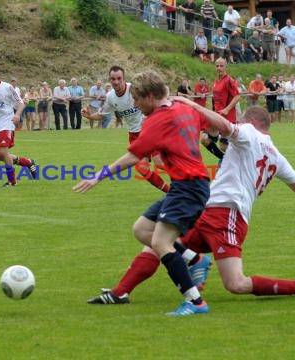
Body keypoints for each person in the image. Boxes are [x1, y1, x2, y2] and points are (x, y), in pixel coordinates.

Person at [172, 98, 295, 301]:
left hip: (228, 215)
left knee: (236, 284)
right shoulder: (276, 155)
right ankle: (122, 292)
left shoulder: (248, 133)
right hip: (211, 211)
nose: (238, 125)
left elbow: (223, 125)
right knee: (163, 241)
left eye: (241, 121)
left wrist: (193, 106)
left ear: (251, 121)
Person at [75, 70, 211, 316]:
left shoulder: (157, 120)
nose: (135, 104)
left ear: (149, 96)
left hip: (189, 186)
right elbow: (208, 127)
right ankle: (194, 259)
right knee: (141, 229)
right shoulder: (183, 107)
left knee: (160, 242)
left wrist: (98, 176)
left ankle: (195, 301)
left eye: (137, 99)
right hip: (188, 184)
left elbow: (133, 157)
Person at [81, 65, 170, 193]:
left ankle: (189, 179)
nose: (116, 82)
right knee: (142, 168)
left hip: (149, 128)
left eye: (119, 78)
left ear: (124, 79)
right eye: (113, 79)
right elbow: (102, 115)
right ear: (109, 79)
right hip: (134, 134)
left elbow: (156, 98)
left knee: (159, 162)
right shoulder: (111, 97)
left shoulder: (135, 89)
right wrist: (89, 115)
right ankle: (171, 191)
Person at [0, 63, 37, 187]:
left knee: (4, 151)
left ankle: (12, 182)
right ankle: (28, 162)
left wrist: (17, 115)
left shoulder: (7, 87)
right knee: (0, 156)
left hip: (7, 122)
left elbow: (21, 103)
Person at [203, 57, 240, 161]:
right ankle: (225, 160)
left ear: (226, 67)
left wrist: (227, 109)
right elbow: (216, 99)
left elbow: (237, 96)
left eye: (221, 66)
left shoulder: (229, 80)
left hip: (227, 118)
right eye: (217, 66)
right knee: (205, 139)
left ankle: (233, 161)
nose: (219, 68)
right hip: (217, 117)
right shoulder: (215, 81)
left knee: (223, 146)